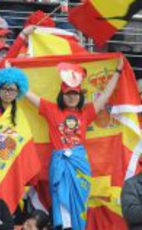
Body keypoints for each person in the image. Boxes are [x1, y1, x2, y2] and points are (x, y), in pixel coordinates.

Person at [25, 57, 124, 229]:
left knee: (79, 203)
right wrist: (11, 74)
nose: (72, 97)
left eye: (75, 94)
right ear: (62, 95)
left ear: (80, 96)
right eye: (68, 94)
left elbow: (106, 95)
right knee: (61, 202)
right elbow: (27, 93)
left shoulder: (86, 113)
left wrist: (118, 72)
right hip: (60, 164)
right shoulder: (51, 109)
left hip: (79, 164)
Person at [0, 67, 41, 214]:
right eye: (5, 88)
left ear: (18, 93)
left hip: (14, 170)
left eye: (12, 90)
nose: (8, 92)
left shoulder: (21, 116)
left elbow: (25, 146)